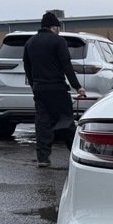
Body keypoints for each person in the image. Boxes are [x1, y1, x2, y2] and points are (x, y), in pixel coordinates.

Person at [22, 10, 87, 167]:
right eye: (57, 26)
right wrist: (78, 87)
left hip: (39, 89)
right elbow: (66, 66)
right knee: (65, 121)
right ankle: (76, 156)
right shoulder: (58, 41)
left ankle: (43, 158)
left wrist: (34, 85)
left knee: (42, 123)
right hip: (57, 88)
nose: (58, 29)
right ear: (54, 27)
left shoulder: (30, 42)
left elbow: (27, 67)